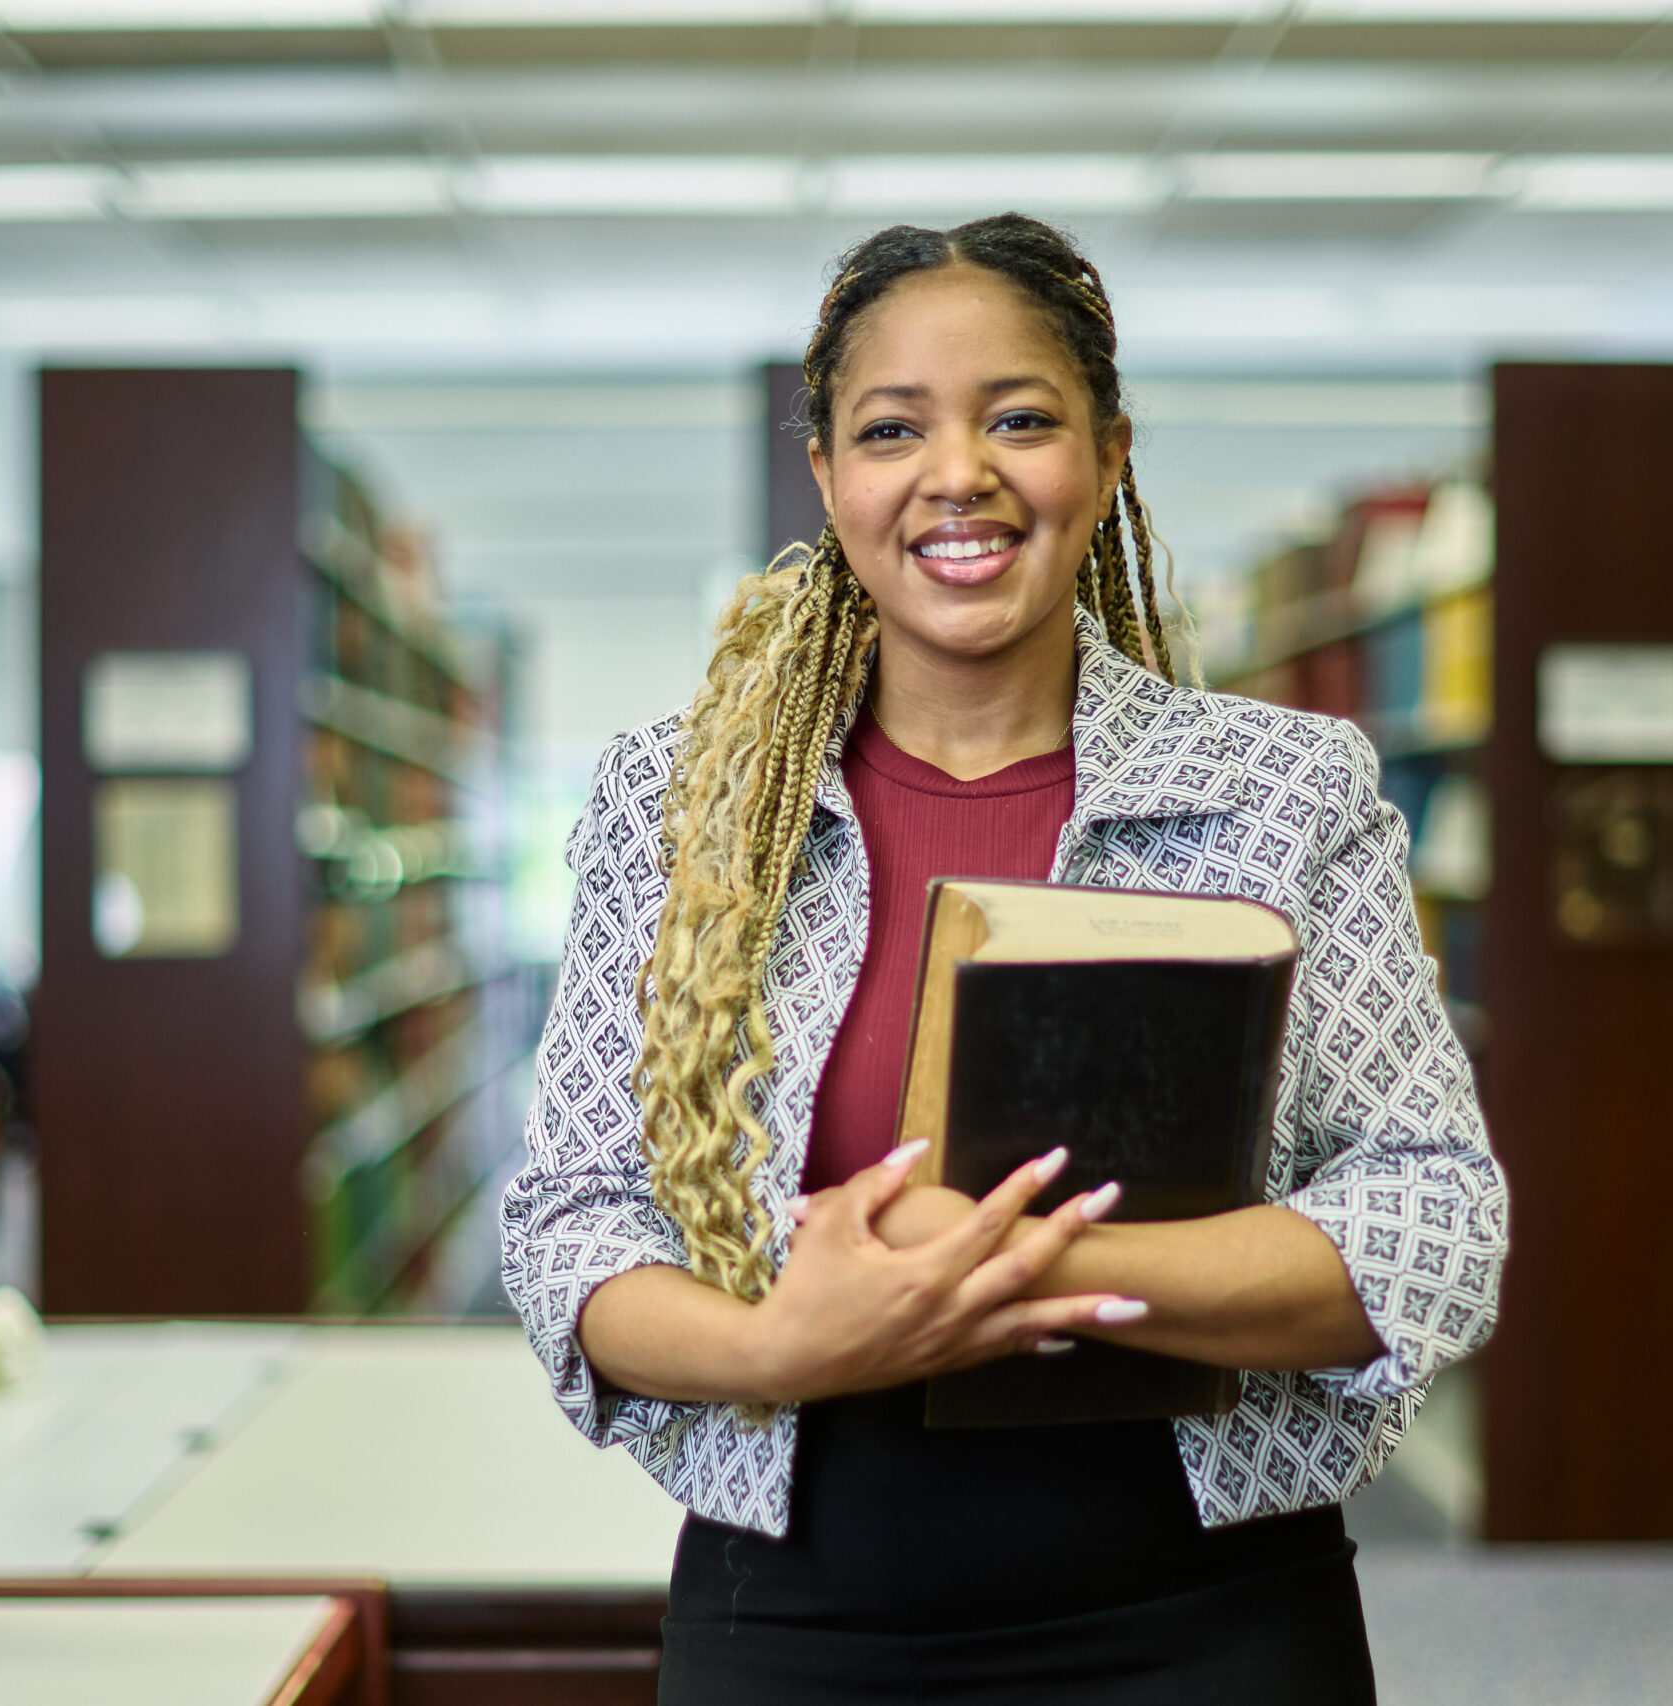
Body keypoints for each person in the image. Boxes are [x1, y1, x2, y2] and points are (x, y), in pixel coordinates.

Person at [502, 212, 1507, 1705]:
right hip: (795, 1612)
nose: (955, 474)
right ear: (830, 473)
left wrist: (1014, 1267)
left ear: (1107, 459)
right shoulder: (676, 806)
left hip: (1207, 1613)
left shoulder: (1283, 793)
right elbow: (570, 1225)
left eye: (1020, 419)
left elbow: (1436, 1217)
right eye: (891, 427)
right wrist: (784, 1339)